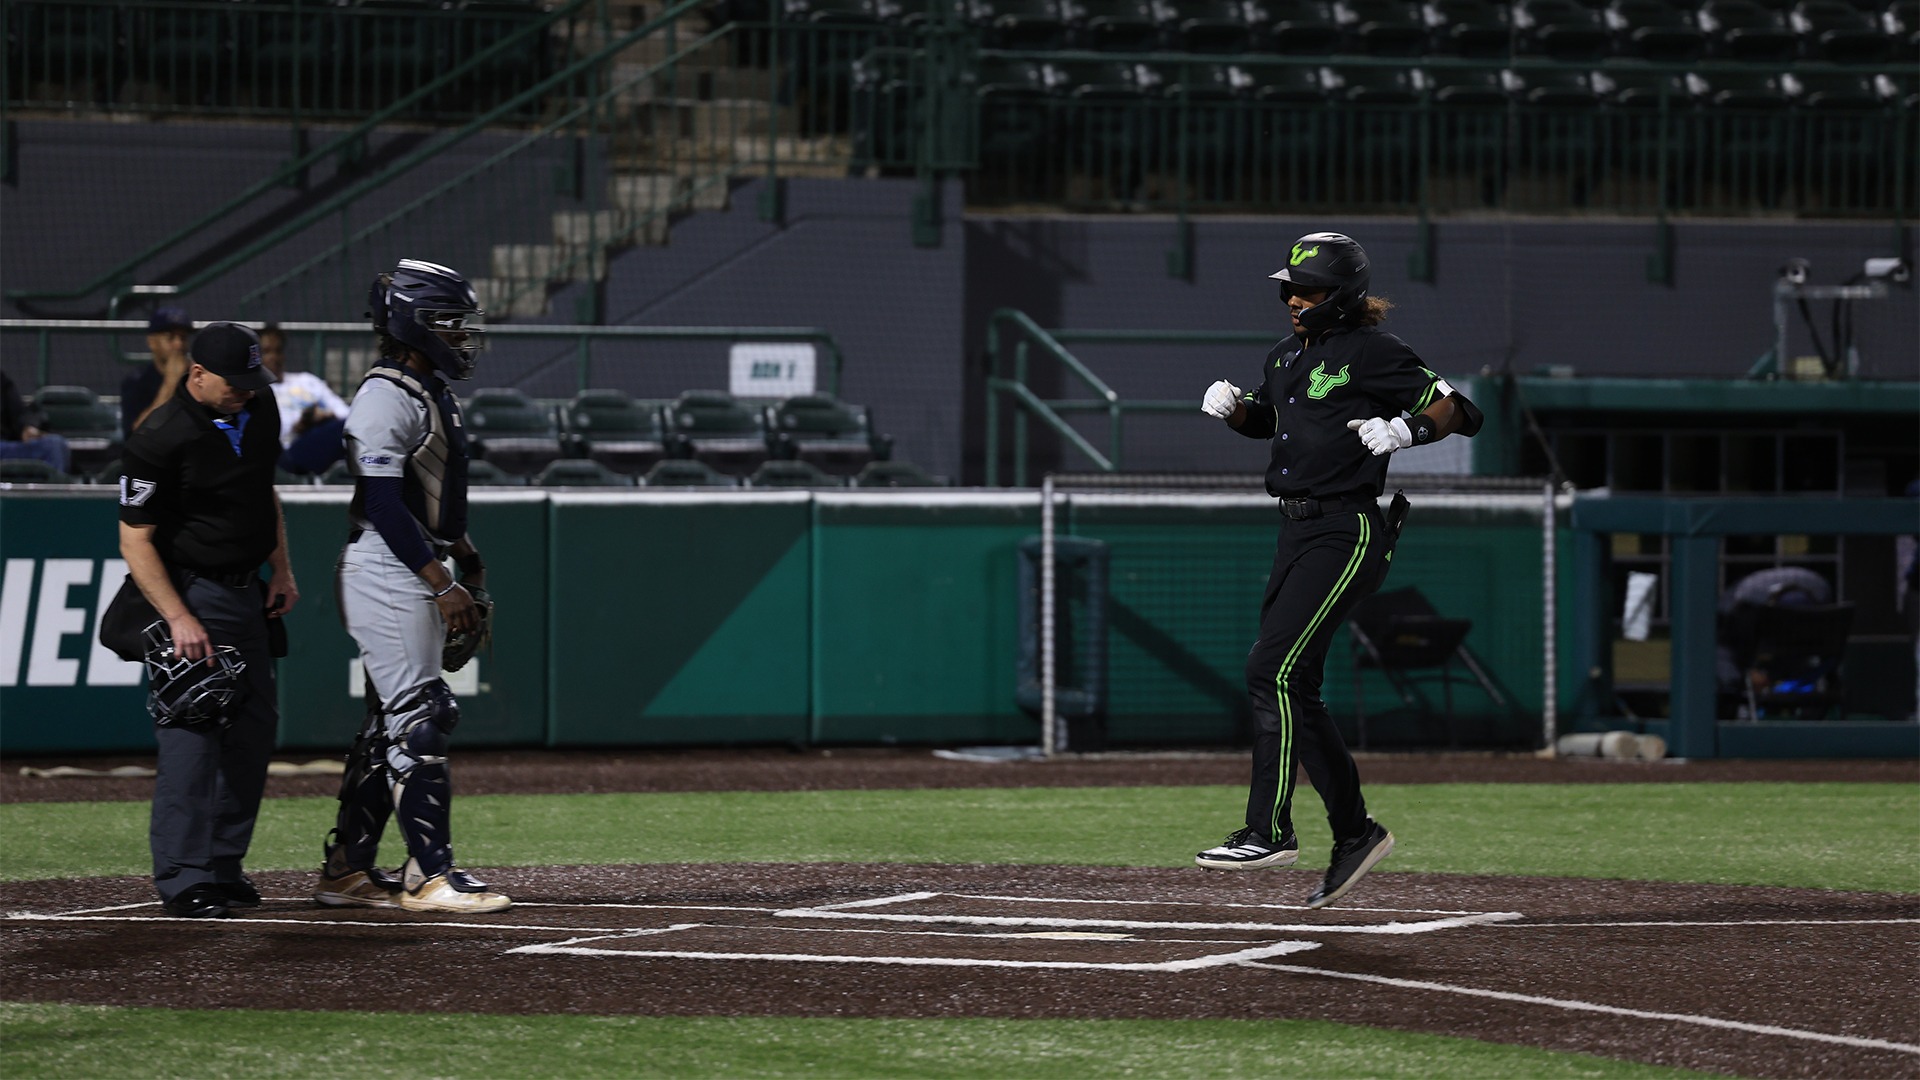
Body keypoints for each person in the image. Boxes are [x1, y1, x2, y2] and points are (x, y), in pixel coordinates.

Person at [1194, 231, 1483, 910]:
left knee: (1271, 671)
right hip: (1295, 530)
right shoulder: (1287, 355)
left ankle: (1269, 830)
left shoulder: (1376, 352)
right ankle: (1355, 833)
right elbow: (1275, 421)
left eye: (1311, 291)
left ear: (1344, 296)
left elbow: (1461, 409)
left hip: (1346, 529)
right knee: (1298, 685)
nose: (1295, 300)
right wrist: (1239, 411)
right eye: (1290, 289)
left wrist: (1410, 432)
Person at [316, 258, 510, 914]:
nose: (462, 337)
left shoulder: (424, 389)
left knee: (388, 724)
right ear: (413, 325)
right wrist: (440, 582)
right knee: (422, 719)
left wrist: (463, 555)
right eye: (450, 325)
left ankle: (347, 869)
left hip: (411, 562)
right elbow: (385, 501)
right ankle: (432, 875)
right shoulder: (384, 394)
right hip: (387, 567)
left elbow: (430, 496)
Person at [117, 322, 296, 919]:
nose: (248, 389)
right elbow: (135, 538)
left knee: (251, 731)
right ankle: (183, 875)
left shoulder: (259, 405)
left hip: (248, 593)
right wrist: (178, 618)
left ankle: (223, 864)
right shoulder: (161, 436)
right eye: (235, 381)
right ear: (196, 374)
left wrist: (283, 570)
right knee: (193, 729)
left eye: (253, 379)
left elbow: (263, 490)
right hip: (194, 593)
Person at [258, 323, 351, 476]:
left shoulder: (307, 381)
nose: (274, 357)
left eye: (278, 351)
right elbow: (268, 434)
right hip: (289, 451)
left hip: (327, 437)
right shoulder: (257, 392)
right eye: (266, 352)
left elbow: (346, 415)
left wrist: (326, 416)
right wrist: (301, 424)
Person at [122, 306, 194, 439]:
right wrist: (171, 382)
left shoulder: (197, 377)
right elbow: (138, 434)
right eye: (170, 338)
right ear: (152, 342)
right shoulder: (137, 381)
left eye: (183, 338)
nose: (178, 345)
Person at [0, 369, 72, 474]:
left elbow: (21, 413)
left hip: (5, 448)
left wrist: (28, 426)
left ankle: (53, 489)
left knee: (54, 445)